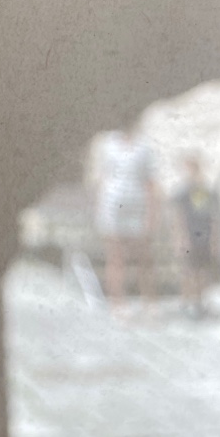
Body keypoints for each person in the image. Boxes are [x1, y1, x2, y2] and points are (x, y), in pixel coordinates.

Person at [92, 126, 157, 313]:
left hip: (137, 206)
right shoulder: (108, 143)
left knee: (143, 257)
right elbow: (103, 177)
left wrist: (151, 215)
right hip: (113, 206)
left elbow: (150, 181)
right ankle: (118, 303)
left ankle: (149, 301)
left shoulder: (144, 146)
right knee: (115, 257)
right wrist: (100, 209)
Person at [173, 153, 220, 319]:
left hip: (204, 237)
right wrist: (180, 238)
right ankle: (187, 300)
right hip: (189, 236)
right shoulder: (183, 192)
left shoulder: (208, 191)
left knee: (203, 270)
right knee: (188, 270)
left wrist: (215, 240)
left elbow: (214, 218)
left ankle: (200, 301)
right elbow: (178, 217)